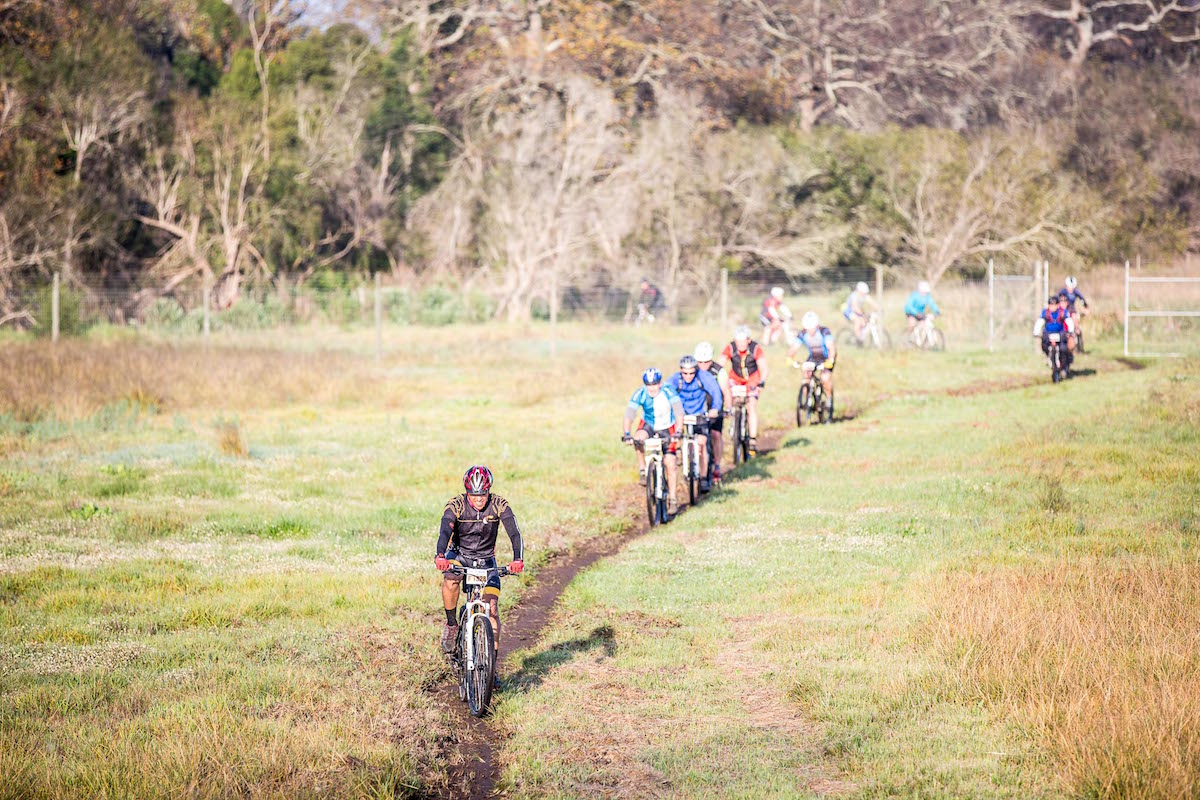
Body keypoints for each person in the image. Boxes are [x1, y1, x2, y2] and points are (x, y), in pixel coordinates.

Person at [435, 466, 525, 680]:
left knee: (491, 608)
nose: (478, 499)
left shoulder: (499, 504)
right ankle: (452, 624)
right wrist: (440, 555)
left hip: (486, 560)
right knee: (451, 579)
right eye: (474, 495)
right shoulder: (456, 504)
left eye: (483, 494)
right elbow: (445, 530)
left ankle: (491, 668)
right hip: (460, 555)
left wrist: (517, 559)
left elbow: (514, 532)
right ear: (467, 492)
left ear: (488, 491)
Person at [622, 367, 685, 516]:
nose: (652, 388)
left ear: (660, 383)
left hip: (668, 427)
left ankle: (673, 498)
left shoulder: (668, 391)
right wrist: (627, 433)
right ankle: (643, 469)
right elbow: (630, 414)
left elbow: (678, 412)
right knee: (638, 438)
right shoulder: (640, 393)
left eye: (655, 384)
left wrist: (679, 431)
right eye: (648, 385)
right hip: (649, 424)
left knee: (670, 463)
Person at [667, 354, 723, 493]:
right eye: (685, 373)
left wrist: (715, 408)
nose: (688, 376)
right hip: (681, 415)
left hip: (699, 414)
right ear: (681, 371)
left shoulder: (703, 377)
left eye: (691, 373)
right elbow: (665, 393)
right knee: (675, 438)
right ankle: (680, 458)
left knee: (702, 443)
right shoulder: (675, 379)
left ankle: (703, 477)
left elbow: (716, 392)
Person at [719, 325, 768, 456]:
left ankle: (752, 439)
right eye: (738, 342)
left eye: (743, 342)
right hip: (735, 378)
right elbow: (720, 363)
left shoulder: (755, 348)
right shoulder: (730, 347)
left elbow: (764, 367)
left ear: (748, 340)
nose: (740, 345)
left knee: (751, 405)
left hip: (752, 379)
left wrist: (762, 380)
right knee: (728, 394)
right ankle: (732, 419)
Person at [788, 311, 836, 410]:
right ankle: (808, 400)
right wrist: (790, 358)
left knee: (825, 378)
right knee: (806, 376)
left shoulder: (824, 332)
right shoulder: (803, 333)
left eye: (812, 328)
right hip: (813, 357)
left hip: (826, 357)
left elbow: (831, 348)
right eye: (808, 328)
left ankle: (828, 399)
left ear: (817, 325)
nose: (810, 331)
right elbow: (794, 347)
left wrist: (831, 360)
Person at [694, 341, 726, 484]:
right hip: (699, 409)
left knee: (715, 434)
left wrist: (727, 408)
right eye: (699, 362)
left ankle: (717, 466)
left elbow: (725, 391)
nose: (702, 365)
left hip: (714, 407)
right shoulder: (691, 371)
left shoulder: (719, 371)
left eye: (706, 362)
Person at [1034, 294, 1074, 370]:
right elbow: (1040, 322)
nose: (1052, 307)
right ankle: (1048, 356)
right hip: (1048, 333)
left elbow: (1069, 321)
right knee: (1044, 345)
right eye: (1050, 305)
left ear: (1057, 305)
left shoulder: (1062, 312)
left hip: (1060, 333)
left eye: (1054, 305)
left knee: (1063, 348)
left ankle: (1064, 364)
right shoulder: (1045, 312)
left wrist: (1071, 331)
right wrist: (1036, 332)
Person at [1058, 275, 1089, 352]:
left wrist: (1086, 307)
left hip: (1072, 311)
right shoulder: (1063, 292)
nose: (1070, 289)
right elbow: (1057, 299)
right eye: (1069, 287)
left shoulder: (1076, 292)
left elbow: (1082, 299)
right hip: (1064, 311)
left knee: (1077, 328)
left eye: (1072, 287)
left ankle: (1079, 347)